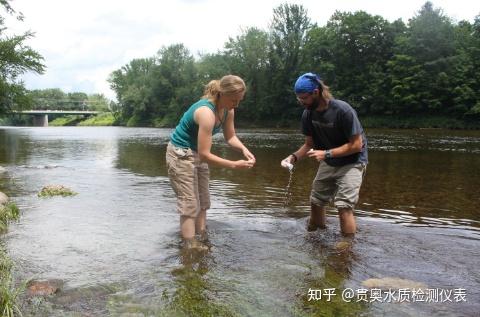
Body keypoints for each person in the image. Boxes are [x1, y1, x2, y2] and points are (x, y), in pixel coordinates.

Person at [166, 75, 256, 249]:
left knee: (203, 201)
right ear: (222, 94)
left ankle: (201, 236)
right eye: (233, 100)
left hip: (197, 152)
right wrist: (234, 164)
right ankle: (190, 246)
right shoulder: (206, 112)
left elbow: (230, 137)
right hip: (180, 153)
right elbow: (205, 154)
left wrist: (244, 150)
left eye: (239, 100)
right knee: (190, 203)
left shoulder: (228, 110)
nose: (236, 104)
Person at [281, 72, 368, 236]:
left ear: (316, 92)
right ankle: (317, 236)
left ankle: (346, 247)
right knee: (316, 201)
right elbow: (309, 144)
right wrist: (293, 157)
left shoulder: (343, 110)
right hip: (329, 161)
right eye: (299, 99)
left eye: (304, 98)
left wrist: (326, 154)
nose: (301, 102)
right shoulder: (308, 114)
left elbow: (357, 145)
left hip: (352, 162)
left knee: (344, 206)